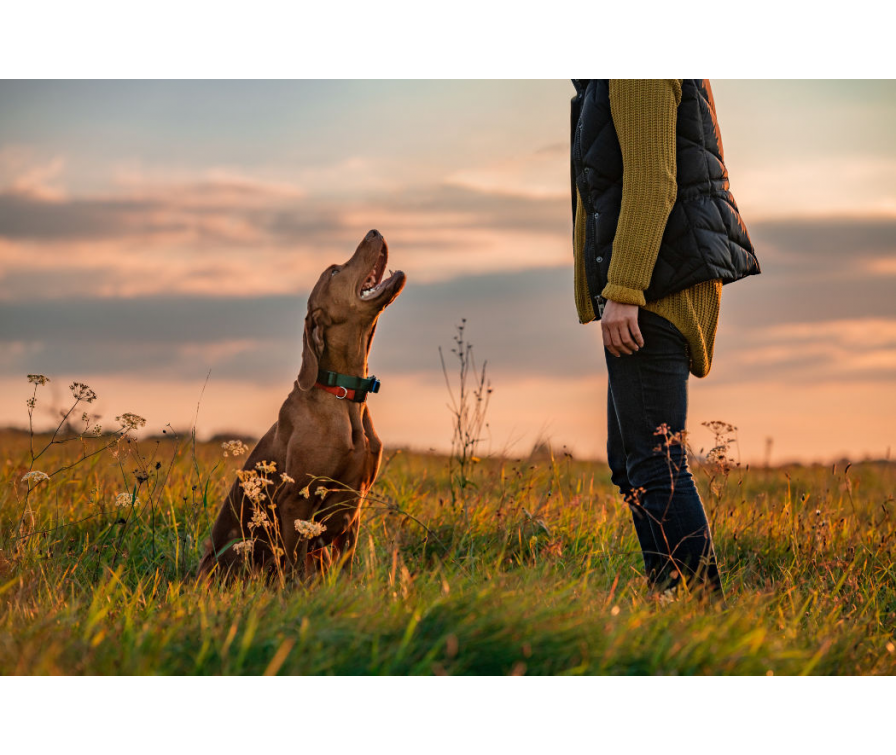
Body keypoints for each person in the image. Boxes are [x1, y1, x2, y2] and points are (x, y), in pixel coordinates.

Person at [570, 79, 760, 596]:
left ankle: (705, 615)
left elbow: (654, 182)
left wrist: (625, 288)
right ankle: (669, 599)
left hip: (654, 291)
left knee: (655, 463)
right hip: (650, 287)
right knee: (633, 463)